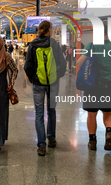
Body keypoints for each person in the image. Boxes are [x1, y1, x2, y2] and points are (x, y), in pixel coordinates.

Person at [76, 21, 111, 151]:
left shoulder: (91, 46)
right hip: (109, 85)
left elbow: (80, 63)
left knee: (92, 114)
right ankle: (109, 132)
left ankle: (92, 141)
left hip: (92, 86)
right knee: (108, 112)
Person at [24, 21, 66, 156]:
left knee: (39, 113)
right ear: (49, 30)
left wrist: (33, 79)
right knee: (52, 110)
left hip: (38, 83)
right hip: (53, 83)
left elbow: (27, 66)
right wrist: (56, 76)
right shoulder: (54, 44)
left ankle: (41, 145)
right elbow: (62, 63)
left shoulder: (33, 45)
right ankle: (51, 138)